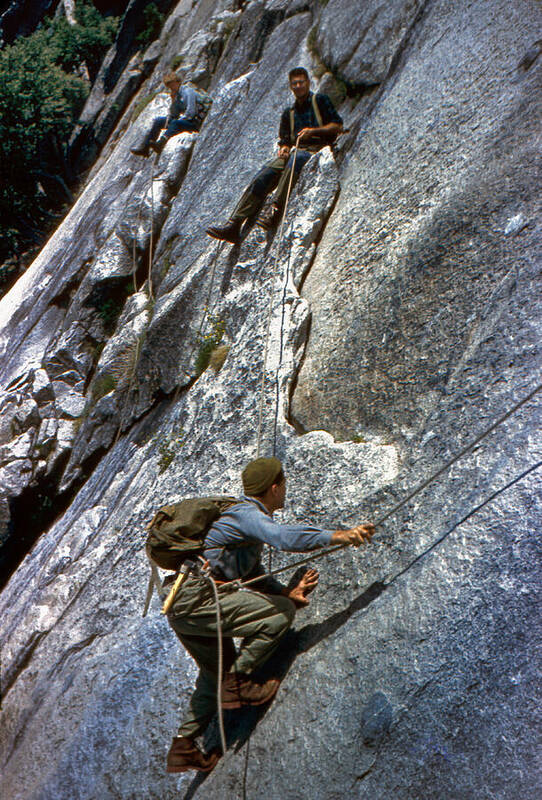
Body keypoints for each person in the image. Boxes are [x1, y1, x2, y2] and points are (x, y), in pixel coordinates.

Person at [165, 456, 375, 773]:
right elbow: (283, 538)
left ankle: (183, 746)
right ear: (275, 487)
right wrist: (339, 535)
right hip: (198, 598)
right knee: (281, 615)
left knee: (213, 674)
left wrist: (282, 591)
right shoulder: (248, 514)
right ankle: (238, 683)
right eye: (284, 484)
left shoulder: (239, 517)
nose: (285, 490)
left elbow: (251, 571)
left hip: (180, 603)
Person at [206, 67, 343, 245]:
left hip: (319, 148)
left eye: (301, 82)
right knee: (267, 171)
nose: (299, 86)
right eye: (295, 83)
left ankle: (275, 208)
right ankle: (234, 223)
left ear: (308, 83)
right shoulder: (289, 113)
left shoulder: (320, 101)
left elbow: (337, 126)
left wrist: (313, 131)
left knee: (295, 160)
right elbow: (285, 139)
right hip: (298, 150)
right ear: (291, 87)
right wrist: (284, 148)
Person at [131, 72, 208, 157]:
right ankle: (146, 148)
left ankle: (160, 143)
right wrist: (173, 101)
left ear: (177, 82)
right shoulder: (177, 96)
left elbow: (191, 112)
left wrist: (179, 120)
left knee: (175, 123)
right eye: (169, 86)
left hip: (195, 122)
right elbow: (174, 114)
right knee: (159, 121)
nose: (171, 88)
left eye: (172, 84)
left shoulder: (188, 91)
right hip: (186, 121)